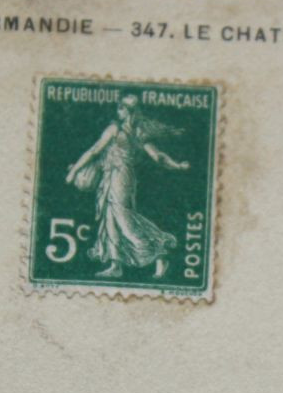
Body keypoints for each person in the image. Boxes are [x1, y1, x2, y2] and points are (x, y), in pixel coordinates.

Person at [64, 93, 191, 279]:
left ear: (128, 110)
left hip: (119, 176)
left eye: (121, 107)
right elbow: (159, 156)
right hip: (115, 176)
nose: (119, 111)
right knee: (110, 219)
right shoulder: (138, 132)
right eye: (118, 107)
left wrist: (74, 171)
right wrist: (177, 165)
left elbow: (94, 151)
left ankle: (159, 254)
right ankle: (116, 265)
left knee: (123, 218)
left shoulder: (115, 129)